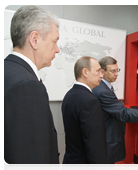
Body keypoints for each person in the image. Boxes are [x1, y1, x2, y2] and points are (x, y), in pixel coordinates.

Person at [4, 6, 60, 170]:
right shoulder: (27, 86)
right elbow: (32, 159)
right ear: (34, 39)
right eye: (54, 41)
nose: (57, 49)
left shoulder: (8, 71)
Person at [61, 56, 108, 170]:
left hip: (70, 163)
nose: (101, 75)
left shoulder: (69, 95)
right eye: (97, 71)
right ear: (85, 72)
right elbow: (95, 146)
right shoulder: (90, 101)